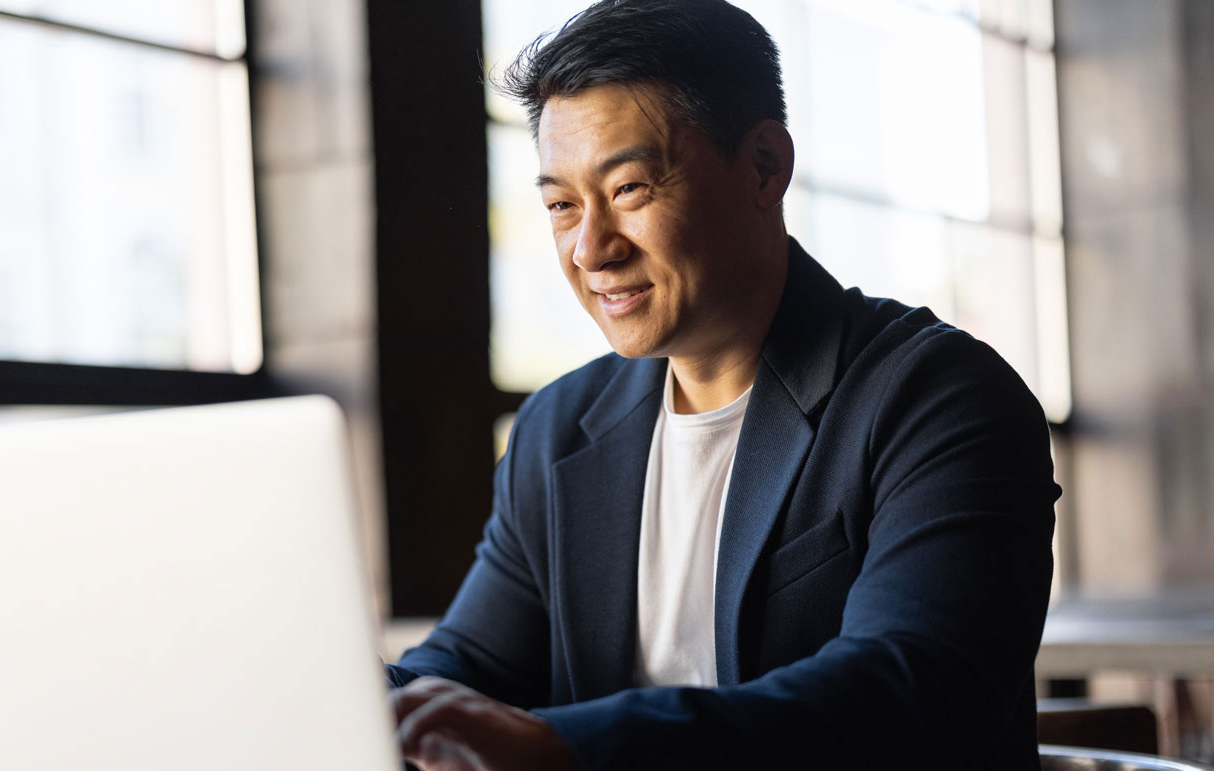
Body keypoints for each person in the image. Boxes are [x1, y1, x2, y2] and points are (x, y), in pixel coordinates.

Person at [381, 1, 1060, 769]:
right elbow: (467, 668)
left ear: (765, 166)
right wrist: (345, 696)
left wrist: (562, 747)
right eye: (562, 205)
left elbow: (910, 694)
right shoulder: (558, 430)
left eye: (630, 189)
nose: (590, 249)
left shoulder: (939, 398)